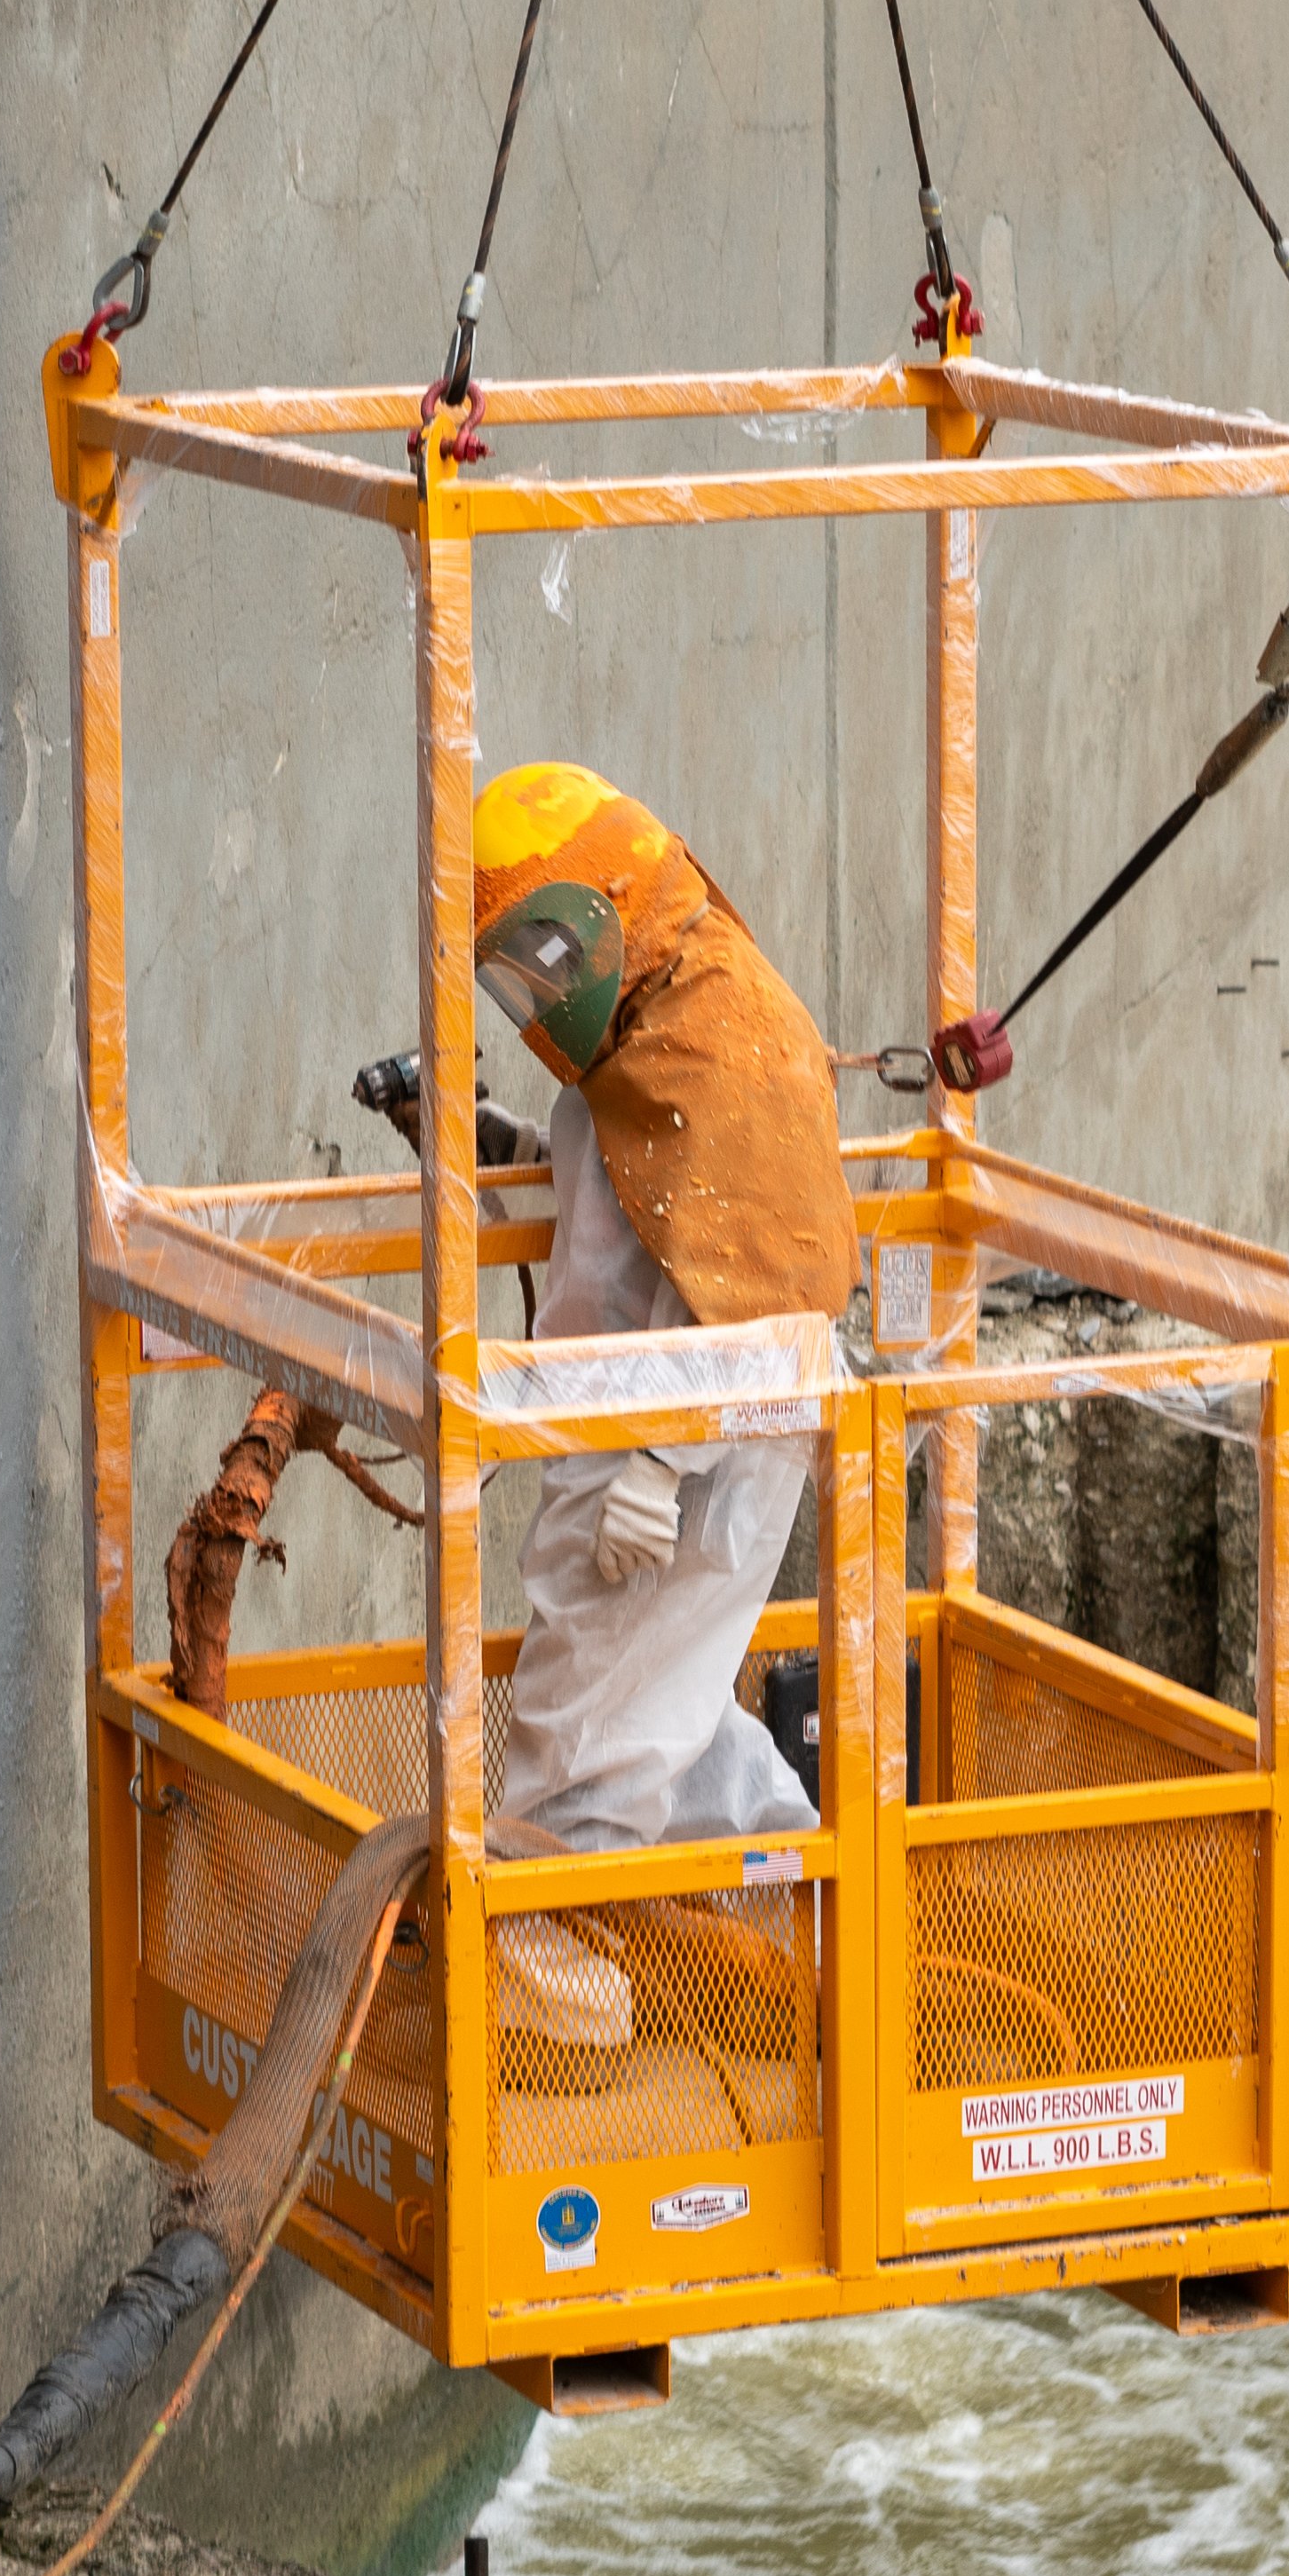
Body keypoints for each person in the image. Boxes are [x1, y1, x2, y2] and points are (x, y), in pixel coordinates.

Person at [457, 757, 856, 1863]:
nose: (532, 1003)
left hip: (682, 1437)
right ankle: (794, 1913)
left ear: (600, 907)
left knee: (584, 1701)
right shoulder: (648, 1022)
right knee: (661, 1708)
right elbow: (646, 1205)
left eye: (538, 967)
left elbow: (755, 1284)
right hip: (636, 1413)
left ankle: (554, 1947)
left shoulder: (724, 1040)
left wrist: (661, 1467)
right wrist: (519, 1150)